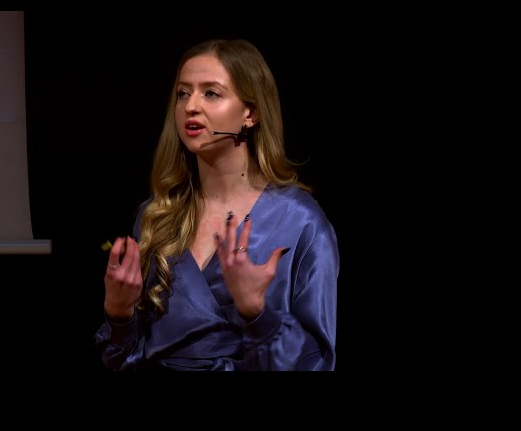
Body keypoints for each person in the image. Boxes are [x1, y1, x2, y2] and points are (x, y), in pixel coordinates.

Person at [95, 38, 339, 371]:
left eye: (211, 93)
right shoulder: (157, 216)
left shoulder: (300, 222)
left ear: (251, 113)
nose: (190, 107)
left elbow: (315, 362)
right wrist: (120, 315)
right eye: (183, 93)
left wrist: (257, 314)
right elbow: (126, 358)